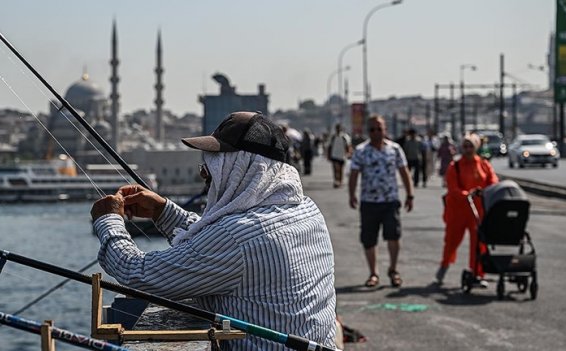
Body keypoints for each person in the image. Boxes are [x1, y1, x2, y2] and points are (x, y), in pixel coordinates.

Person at [91, 111, 337, 350]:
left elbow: (138, 274)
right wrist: (163, 211)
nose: (204, 173)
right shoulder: (307, 211)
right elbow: (217, 243)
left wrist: (108, 220)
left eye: (212, 163)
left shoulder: (237, 238)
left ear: (243, 167)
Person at [348, 115, 414, 288]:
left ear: (385, 130)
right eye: (372, 129)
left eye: (379, 129)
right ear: (367, 131)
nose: (376, 132)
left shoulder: (395, 149)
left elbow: (404, 171)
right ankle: (373, 273)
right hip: (369, 201)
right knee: (369, 239)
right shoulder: (361, 150)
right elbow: (354, 173)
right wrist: (351, 194)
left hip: (390, 200)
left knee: (393, 235)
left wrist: (410, 194)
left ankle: (393, 270)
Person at [435, 133, 499, 287]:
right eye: (465, 146)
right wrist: (467, 194)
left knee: (478, 243)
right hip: (458, 210)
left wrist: (487, 191)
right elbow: (453, 188)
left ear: (476, 147)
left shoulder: (483, 164)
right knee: (451, 241)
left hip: (478, 211)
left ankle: (477, 273)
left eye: (471, 146)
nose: (468, 149)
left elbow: (493, 181)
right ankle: (445, 264)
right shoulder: (455, 166)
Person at [327, 124, 352, 188]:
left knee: (340, 169)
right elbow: (329, 146)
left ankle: (340, 181)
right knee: (336, 169)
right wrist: (328, 155)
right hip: (334, 154)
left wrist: (349, 153)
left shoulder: (345, 137)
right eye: (337, 128)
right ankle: (336, 181)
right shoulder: (333, 137)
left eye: (339, 128)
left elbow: (348, 145)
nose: (338, 130)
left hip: (342, 155)